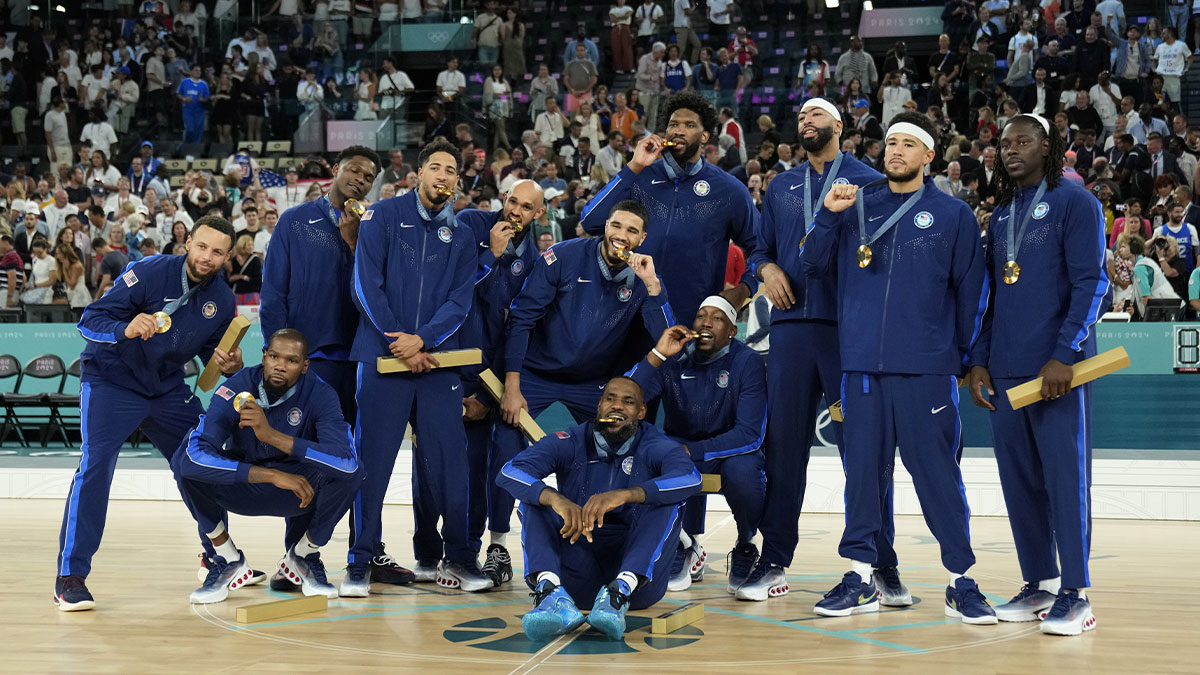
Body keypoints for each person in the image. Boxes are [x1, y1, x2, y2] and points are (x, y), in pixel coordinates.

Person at [800, 112, 995, 624]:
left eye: (908, 144)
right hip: (861, 366)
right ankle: (861, 577)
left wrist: (960, 359)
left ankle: (961, 580)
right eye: (890, 142)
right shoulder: (854, 204)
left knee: (937, 476)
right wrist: (826, 213)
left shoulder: (952, 214)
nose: (895, 151)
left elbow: (972, 294)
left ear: (929, 156)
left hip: (926, 369)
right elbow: (812, 265)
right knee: (862, 474)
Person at [742, 96, 902, 602]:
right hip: (789, 331)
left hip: (847, 332)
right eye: (802, 117)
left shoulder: (871, 180)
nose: (806, 122)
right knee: (783, 448)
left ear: (839, 125)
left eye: (816, 116)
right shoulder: (782, 184)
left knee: (865, 449)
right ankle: (774, 559)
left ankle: (880, 562)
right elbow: (759, 250)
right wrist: (765, 270)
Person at [54, 216, 245, 611]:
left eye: (217, 252)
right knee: (95, 466)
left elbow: (211, 352)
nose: (207, 257)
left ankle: (219, 557)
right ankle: (70, 577)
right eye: (202, 247)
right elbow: (90, 320)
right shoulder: (148, 272)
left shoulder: (223, 300)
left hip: (166, 388)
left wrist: (226, 362)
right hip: (111, 380)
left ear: (228, 257)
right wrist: (125, 328)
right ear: (187, 242)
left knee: (200, 460)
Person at [967, 114, 1110, 636]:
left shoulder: (1077, 202)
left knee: (1064, 478)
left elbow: (1093, 284)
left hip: (1057, 371)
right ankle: (1039, 582)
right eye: (1004, 143)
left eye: (1023, 141)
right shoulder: (1001, 213)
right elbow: (988, 299)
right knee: (1020, 481)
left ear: (1048, 147)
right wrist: (978, 359)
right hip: (1005, 372)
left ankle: (1076, 592)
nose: (1011, 150)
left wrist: (1065, 355)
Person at [260, 147, 413, 589]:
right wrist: (281, 359)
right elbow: (274, 296)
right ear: (335, 171)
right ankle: (298, 557)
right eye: (354, 171)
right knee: (308, 461)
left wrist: (353, 241)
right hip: (314, 363)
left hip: (367, 358)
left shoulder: (374, 225)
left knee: (368, 461)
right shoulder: (294, 222)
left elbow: (380, 288)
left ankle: (368, 550)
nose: (360, 180)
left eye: (369, 176)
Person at [491, 199, 673, 562]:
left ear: (642, 238)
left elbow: (667, 339)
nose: (621, 236)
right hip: (536, 374)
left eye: (631, 231)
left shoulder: (644, 277)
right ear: (605, 226)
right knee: (506, 442)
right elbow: (522, 319)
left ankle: (620, 535)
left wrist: (653, 285)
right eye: (616, 226)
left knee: (625, 442)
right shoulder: (564, 256)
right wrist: (512, 386)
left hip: (594, 383)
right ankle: (497, 543)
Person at [344, 140, 485, 595]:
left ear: (458, 182)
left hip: (436, 363)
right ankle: (359, 562)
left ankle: (460, 559)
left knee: (450, 465)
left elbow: (460, 301)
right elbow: (366, 285)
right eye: (436, 167)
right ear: (418, 173)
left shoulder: (462, 235)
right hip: (382, 360)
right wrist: (396, 340)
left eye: (451, 171)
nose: (443, 176)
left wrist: (423, 340)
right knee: (371, 464)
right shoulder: (382, 216)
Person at [497, 376, 701, 641]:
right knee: (534, 500)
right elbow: (509, 471)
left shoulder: (655, 443)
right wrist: (554, 498)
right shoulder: (571, 439)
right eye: (610, 399)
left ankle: (617, 596)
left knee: (666, 500)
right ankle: (551, 596)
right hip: (578, 572)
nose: (617, 407)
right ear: (599, 405)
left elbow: (691, 479)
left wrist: (628, 494)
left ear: (641, 412)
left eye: (628, 402)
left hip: (638, 584)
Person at [173, 329, 363, 603]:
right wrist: (273, 475)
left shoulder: (321, 394)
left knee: (353, 473)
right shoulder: (236, 388)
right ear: (264, 357)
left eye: (291, 360)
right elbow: (193, 454)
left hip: (300, 490)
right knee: (184, 464)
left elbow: (346, 461)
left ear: (305, 365)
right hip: (246, 486)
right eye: (274, 356)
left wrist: (273, 437)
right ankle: (227, 558)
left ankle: (305, 554)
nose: (280, 366)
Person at [581, 91, 758, 323]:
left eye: (689, 125)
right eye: (673, 124)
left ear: (704, 136)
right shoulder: (639, 177)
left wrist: (744, 289)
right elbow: (591, 222)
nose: (679, 130)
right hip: (627, 316)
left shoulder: (729, 190)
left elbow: (761, 245)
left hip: (689, 319)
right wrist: (634, 166)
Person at [628, 297, 766, 593]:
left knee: (743, 472)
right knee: (646, 460)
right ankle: (683, 542)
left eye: (716, 318)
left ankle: (746, 542)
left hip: (730, 449)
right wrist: (658, 354)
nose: (705, 322)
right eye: (701, 315)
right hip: (681, 447)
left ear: (732, 330)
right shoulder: (675, 359)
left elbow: (750, 434)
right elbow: (627, 394)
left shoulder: (747, 361)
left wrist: (694, 450)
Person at [448, 179, 547, 586]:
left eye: (525, 207)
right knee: (461, 464)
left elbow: (524, 325)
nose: (515, 211)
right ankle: (453, 552)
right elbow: (450, 291)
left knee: (503, 458)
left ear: (538, 214)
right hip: (460, 366)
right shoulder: (470, 223)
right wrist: (490, 253)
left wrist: (508, 384)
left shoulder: (540, 260)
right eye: (511, 202)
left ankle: (496, 548)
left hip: (502, 373)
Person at [177, 65, 210, 144]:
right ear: (191, 72)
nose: (198, 72)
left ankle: (195, 149)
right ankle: (187, 145)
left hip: (199, 110)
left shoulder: (204, 84)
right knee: (190, 130)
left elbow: (207, 98)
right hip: (187, 109)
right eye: (196, 70)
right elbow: (178, 94)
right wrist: (184, 99)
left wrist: (202, 99)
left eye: (199, 71)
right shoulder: (184, 82)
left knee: (198, 131)